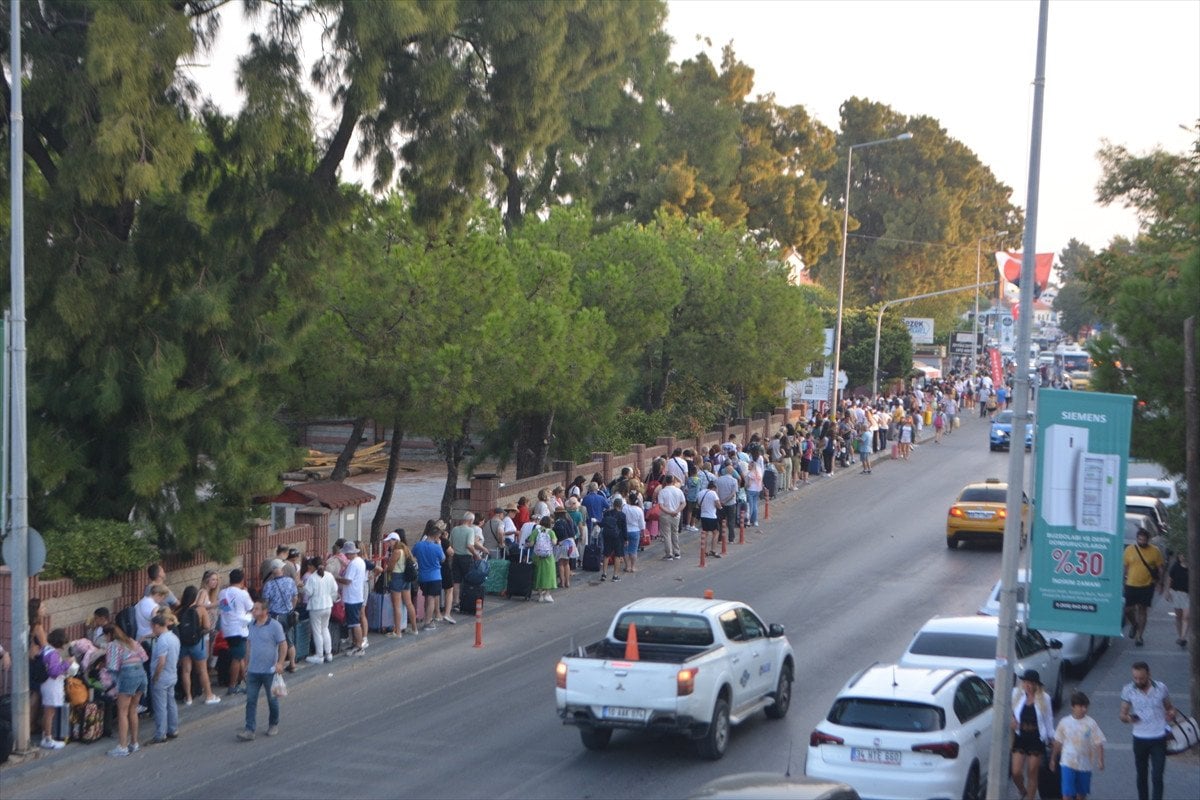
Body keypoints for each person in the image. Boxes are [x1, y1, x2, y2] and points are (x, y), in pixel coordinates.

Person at [1119, 661, 1176, 800]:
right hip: (1139, 738)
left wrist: (1171, 713)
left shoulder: (1161, 688)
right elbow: (1122, 715)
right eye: (1135, 678)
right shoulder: (1128, 690)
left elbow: (1170, 708)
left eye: (1141, 678)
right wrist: (1129, 718)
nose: (1138, 681)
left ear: (1149, 674)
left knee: (1157, 776)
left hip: (1158, 737)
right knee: (1141, 775)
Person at [237, 601, 287, 741]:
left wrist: (280, 663)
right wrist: (246, 664)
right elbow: (249, 645)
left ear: (265, 611)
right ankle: (249, 729)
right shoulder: (251, 625)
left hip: (270, 670)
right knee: (251, 700)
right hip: (253, 670)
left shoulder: (275, 626)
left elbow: (283, 644)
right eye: (253, 609)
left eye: (257, 609)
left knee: (272, 700)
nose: (253, 611)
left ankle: (273, 724)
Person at [1051, 691, 1106, 800]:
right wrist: (1053, 758)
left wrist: (1100, 759)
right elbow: (1058, 742)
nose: (1084, 709)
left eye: (1085, 707)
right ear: (1073, 707)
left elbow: (1099, 741)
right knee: (1067, 793)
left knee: (1081, 794)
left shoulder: (1091, 723)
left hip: (1084, 764)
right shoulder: (1064, 722)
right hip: (1067, 762)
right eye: (1080, 706)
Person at [104, 621, 148, 757]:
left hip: (128, 676)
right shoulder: (132, 642)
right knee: (133, 709)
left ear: (109, 635)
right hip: (141, 675)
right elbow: (144, 657)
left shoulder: (112, 646)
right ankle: (134, 743)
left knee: (122, 712)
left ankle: (122, 746)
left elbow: (112, 667)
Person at [1009, 669, 1054, 800]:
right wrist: (1012, 720)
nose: (1027, 686)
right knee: (1016, 772)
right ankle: (1023, 790)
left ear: (1036, 685)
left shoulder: (1044, 698)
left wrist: (1051, 738)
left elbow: (1048, 719)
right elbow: (1008, 709)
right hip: (1020, 736)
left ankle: (1030, 797)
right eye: (1025, 682)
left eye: (1030, 683)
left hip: (1036, 737)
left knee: (1032, 772)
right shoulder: (1017, 694)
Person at [176, 586, 220, 706]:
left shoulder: (179, 610)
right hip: (197, 644)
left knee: (185, 671)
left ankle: (188, 697)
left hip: (183, 644)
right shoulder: (200, 609)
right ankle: (209, 695)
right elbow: (207, 626)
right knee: (202, 670)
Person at [1122, 527, 1164, 646]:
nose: (1142, 542)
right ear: (1137, 539)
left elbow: (1160, 568)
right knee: (1127, 609)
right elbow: (1125, 567)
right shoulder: (1129, 550)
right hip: (1131, 584)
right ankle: (1134, 624)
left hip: (1146, 585)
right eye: (1140, 540)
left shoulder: (1155, 551)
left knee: (1142, 610)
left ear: (1148, 540)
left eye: (1144, 540)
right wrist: (1123, 580)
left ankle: (1139, 636)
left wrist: (1160, 583)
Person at [218, 568, 254, 694]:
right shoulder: (242, 593)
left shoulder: (223, 593)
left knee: (239, 656)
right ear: (242, 580)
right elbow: (250, 607)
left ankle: (244, 680)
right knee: (237, 657)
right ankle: (232, 685)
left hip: (227, 628)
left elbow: (224, 609)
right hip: (239, 629)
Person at [38, 628, 73, 750]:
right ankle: (48, 738)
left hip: (45, 684)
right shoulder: (53, 654)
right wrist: (67, 663)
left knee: (47, 712)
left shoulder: (46, 649)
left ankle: (45, 736)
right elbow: (54, 671)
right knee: (50, 713)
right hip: (52, 685)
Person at [148, 613, 180, 744]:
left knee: (160, 706)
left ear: (156, 625)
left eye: (152, 627)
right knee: (171, 703)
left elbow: (161, 661)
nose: (152, 630)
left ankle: (160, 734)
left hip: (162, 677)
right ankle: (173, 729)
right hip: (172, 674)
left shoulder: (162, 640)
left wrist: (155, 676)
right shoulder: (174, 638)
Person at [261, 558, 298, 670]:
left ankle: (276, 664)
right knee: (289, 640)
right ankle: (292, 664)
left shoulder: (269, 585)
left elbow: (265, 602)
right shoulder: (290, 581)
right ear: (282, 568)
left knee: (275, 642)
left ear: (272, 571)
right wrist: (291, 607)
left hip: (275, 616)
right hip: (289, 614)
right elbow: (295, 597)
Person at [449, 511, 487, 618]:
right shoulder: (470, 531)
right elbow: (470, 545)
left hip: (456, 557)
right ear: (470, 521)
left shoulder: (455, 529)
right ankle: (466, 601)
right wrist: (477, 555)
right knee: (468, 581)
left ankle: (455, 603)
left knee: (456, 581)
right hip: (466, 557)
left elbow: (451, 543)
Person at [303, 556, 339, 663]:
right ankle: (328, 653)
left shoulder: (312, 578)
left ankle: (319, 655)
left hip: (316, 606)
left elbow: (308, 593)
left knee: (317, 631)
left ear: (313, 566)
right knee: (325, 628)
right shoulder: (329, 576)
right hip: (328, 605)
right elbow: (334, 590)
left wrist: (303, 587)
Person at [383, 530, 418, 637]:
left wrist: (386, 567)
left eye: (389, 541)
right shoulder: (405, 549)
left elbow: (390, 567)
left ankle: (397, 631)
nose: (388, 543)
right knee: (409, 603)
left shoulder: (396, 552)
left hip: (397, 577)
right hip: (406, 578)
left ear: (395, 541)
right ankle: (414, 628)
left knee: (396, 606)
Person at [336, 541, 369, 655]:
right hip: (356, 596)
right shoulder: (360, 561)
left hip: (352, 597)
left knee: (355, 623)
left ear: (350, 553)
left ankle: (359, 647)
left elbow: (348, 580)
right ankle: (355, 644)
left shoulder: (354, 564)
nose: (345, 556)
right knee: (354, 622)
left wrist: (337, 578)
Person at [413, 521, 447, 630]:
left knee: (427, 597)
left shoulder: (418, 545)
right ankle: (427, 622)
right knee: (432, 599)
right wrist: (440, 545)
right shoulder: (436, 547)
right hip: (435, 576)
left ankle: (427, 618)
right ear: (437, 536)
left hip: (423, 576)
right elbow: (443, 559)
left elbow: (412, 555)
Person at [526, 515, 558, 602]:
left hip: (537, 556)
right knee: (549, 574)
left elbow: (531, 543)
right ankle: (547, 594)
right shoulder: (551, 532)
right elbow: (554, 543)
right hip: (548, 556)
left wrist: (527, 544)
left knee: (538, 574)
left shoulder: (536, 531)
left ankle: (540, 595)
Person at [1163, 552, 1189, 648]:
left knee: (1186, 617)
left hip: (1189, 595)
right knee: (1179, 616)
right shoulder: (1175, 566)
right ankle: (1180, 635)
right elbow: (1170, 579)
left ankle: (1183, 637)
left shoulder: (1193, 566)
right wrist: (1167, 591)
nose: (1183, 556)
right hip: (1177, 593)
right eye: (1181, 554)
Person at [656, 475, 685, 560]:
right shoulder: (678, 491)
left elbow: (660, 506)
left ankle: (669, 554)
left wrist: (669, 512)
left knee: (666, 534)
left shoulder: (662, 492)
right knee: (675, 533)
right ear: (673, 481)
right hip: (676, 515)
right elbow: (683, 503)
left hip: (665, 515)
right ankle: (677, 552)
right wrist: (676, 511)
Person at [599, 497, 627, 582]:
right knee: (617, 556)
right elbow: (624, 528)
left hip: (607, 536)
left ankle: (604, 574)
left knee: (606, 555)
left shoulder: (607, 513)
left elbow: (602, 523)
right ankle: (615, 575)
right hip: (618, 537)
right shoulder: (622, 515)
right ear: (621, 505)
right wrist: (626, 539)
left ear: (614, 505)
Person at [622, 491, 645, 573]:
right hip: (635, 530)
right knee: (634, 550)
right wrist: (643, 532)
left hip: (626, 530)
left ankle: (627, 566)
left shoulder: (625, 508)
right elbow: (641, 523)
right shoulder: (639, 510)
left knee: (625, 549)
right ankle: (633, 566)